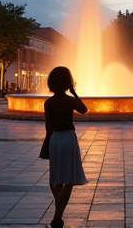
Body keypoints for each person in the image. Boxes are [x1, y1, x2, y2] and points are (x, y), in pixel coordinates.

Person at [40, 66, 88, 228]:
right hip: (68, 138)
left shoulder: (48, 102)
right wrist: (74, 92)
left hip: (55, 139)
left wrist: (48, 145)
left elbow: (48, 128)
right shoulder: (70, 100)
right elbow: (84, 110)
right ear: (68, 82)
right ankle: (57, 216)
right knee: (69, 180)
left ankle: (58, 216)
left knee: (56, 180)